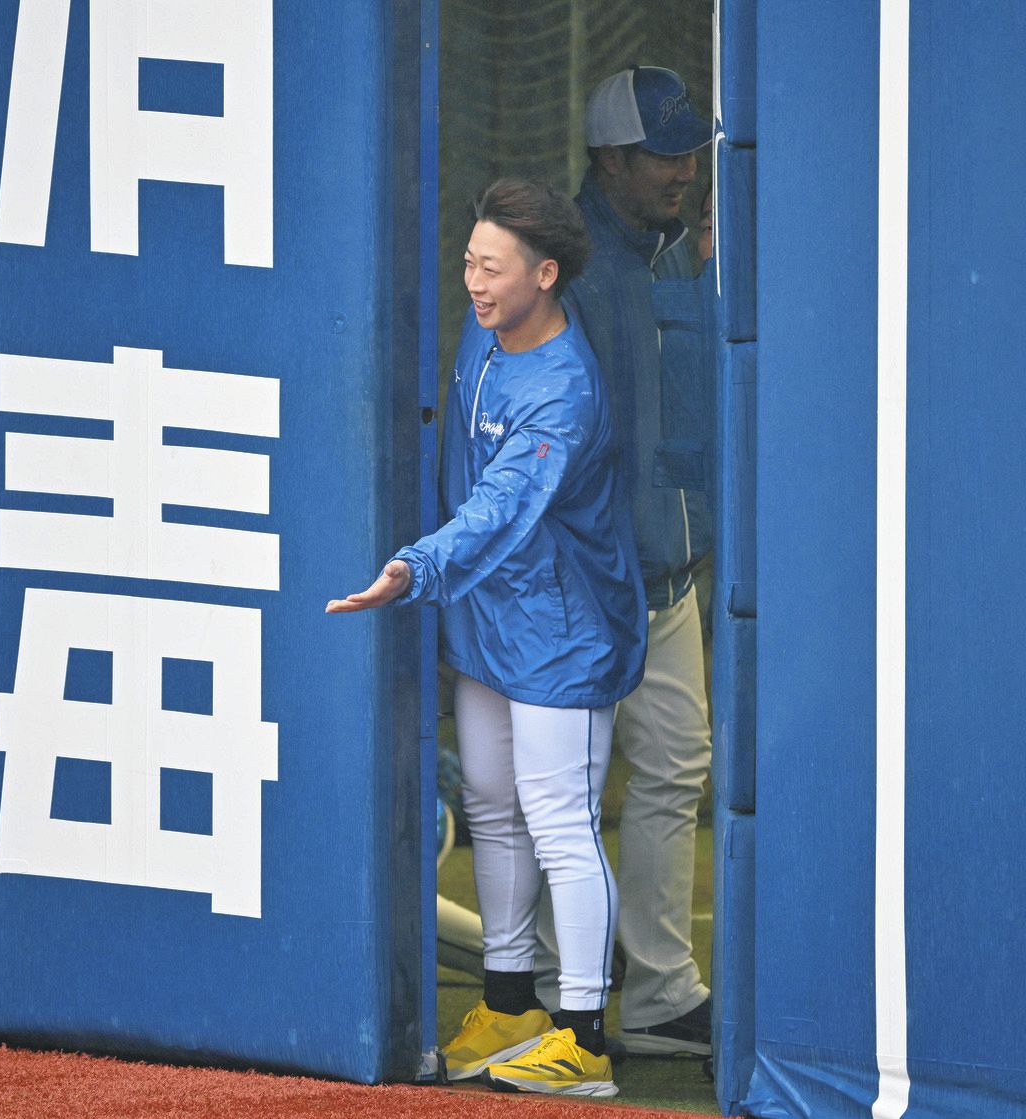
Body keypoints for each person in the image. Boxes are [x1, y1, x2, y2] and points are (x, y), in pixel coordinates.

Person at [327, 179, 647, 1098]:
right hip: (483, 618)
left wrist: (416, 568)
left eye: (491, 267)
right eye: (468, 261)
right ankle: (507, 1003)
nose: (472, 281)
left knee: (559, 824)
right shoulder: (487, 324)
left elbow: (504, 504)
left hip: (562, 631)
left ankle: (580, 1035)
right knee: (495, 807)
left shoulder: (566, 393)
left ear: (545, 277)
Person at [551, 65, 716, 1058]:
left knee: (672, 775)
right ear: (609, 156)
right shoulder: (569, 264)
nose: (683, 167)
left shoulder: (672, 258)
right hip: (587, 583)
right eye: (661, 151)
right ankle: (541, 995)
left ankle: (655, 991)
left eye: (690, 148)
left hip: (667, 577)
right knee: (556, 793)